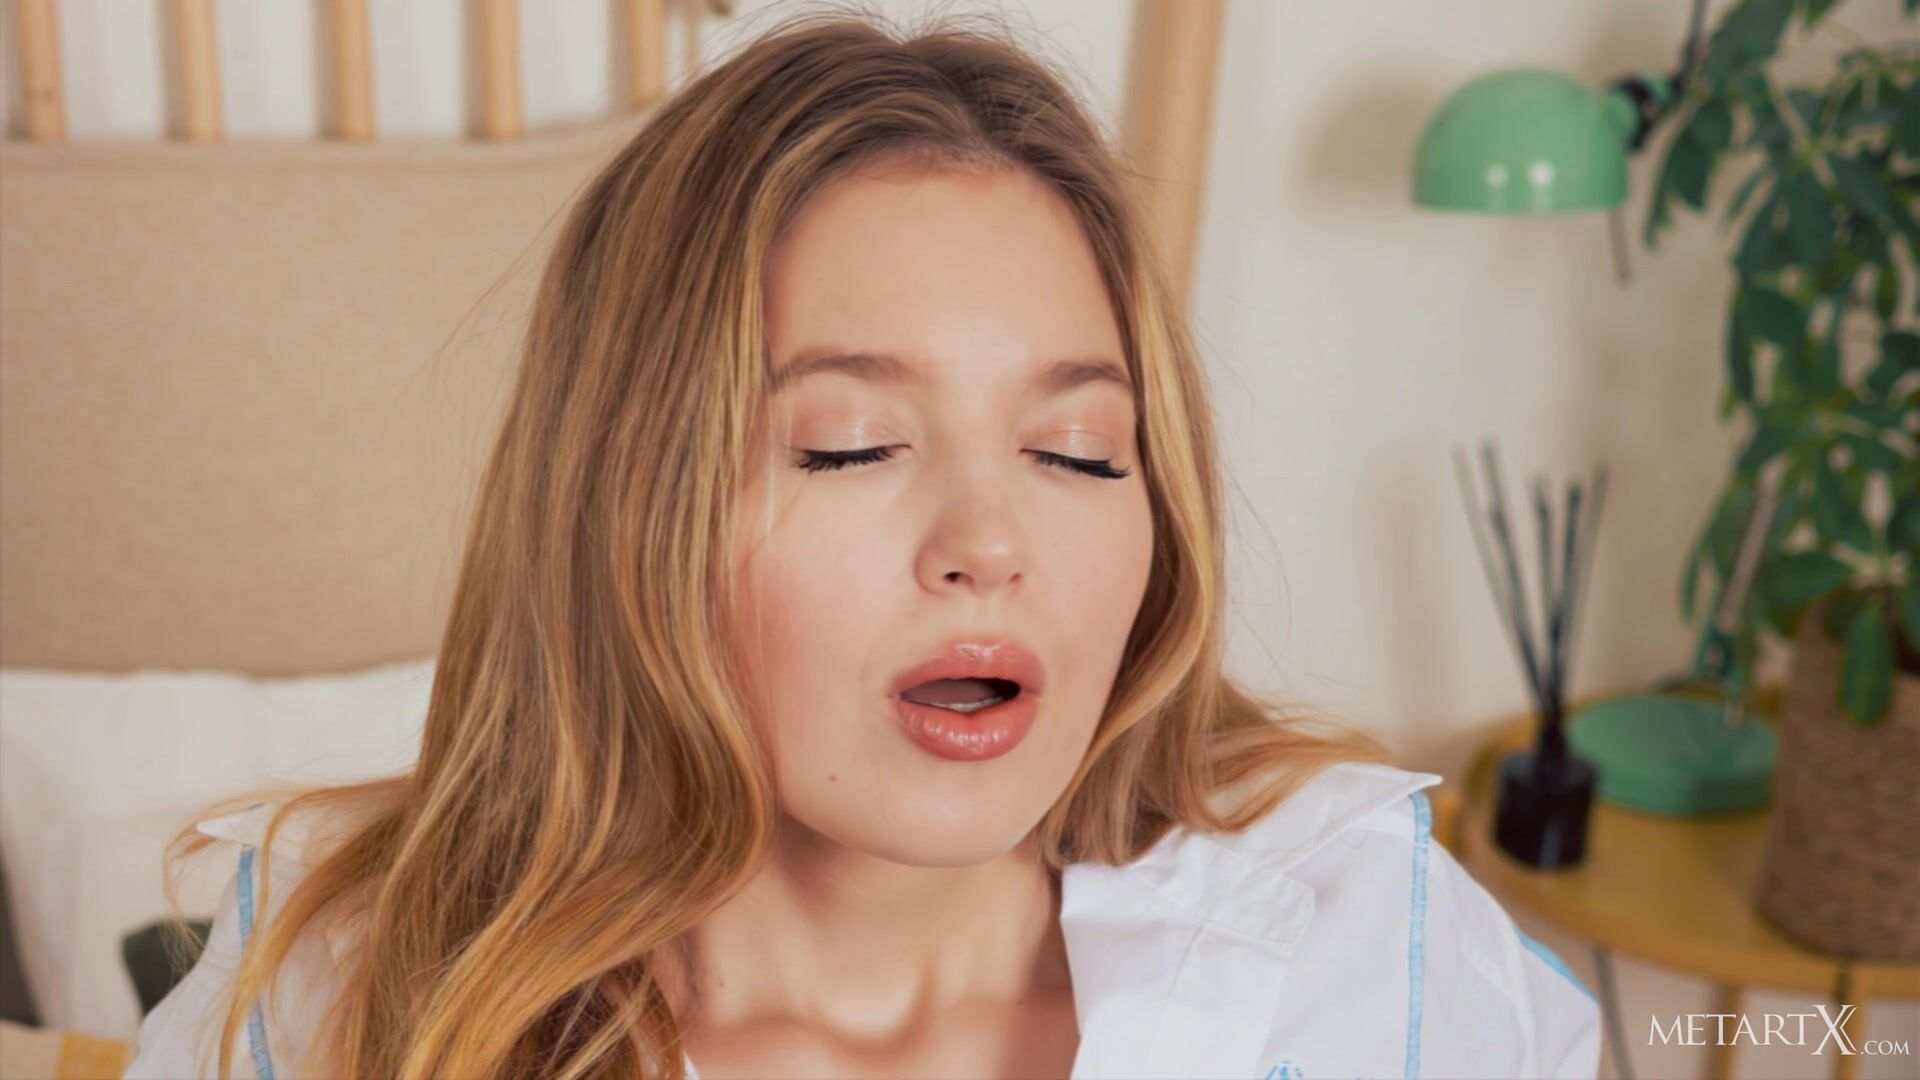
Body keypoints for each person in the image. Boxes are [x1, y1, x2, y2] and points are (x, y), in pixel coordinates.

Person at [124, 9, 1601, 1079]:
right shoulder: (330, 1009)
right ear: (629, 503)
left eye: (1076, 452)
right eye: (849, 446)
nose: (988, 544)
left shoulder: (1380, 955)